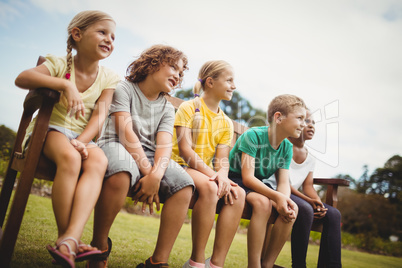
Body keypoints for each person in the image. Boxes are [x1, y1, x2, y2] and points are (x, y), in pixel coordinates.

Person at [14, 10, 120, 268]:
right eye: (102, 32)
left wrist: (83, 140)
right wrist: (65, 85)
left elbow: (100, 115)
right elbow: (22, 78)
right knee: (71, 159)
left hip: (83, 138)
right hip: (49, 130)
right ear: (77, 34)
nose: (109, 40)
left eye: (113, 37)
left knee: (99, 162)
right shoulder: (59, 64)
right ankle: (68, 239)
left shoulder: (109, 77)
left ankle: (69, 239)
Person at [89, 44, 194, 268]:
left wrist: (156, 175)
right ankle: (98, 248)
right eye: (173, 67)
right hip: (115, 143)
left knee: (184, 184)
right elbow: (124, 131)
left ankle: (157, 262)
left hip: (147, 156)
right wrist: (149, 172)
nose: (177, 74)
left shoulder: (167, 108)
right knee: (122, 172)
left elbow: (164, 146)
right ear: (152, 63)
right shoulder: (125, 88)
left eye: (181, 72)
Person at [171, 60, 246, 268]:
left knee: (238, 195)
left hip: (204, 172)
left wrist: (222, 174)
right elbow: (185, 151)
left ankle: (215, 263)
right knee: (212, 188)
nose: (234, 86)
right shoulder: (188, 108)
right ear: (211, 82)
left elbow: (222, 161)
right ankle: (196, 261)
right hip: (180, 165)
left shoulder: (226, 123)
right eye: (229, 80)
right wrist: (215, 176)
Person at [228, 94, 307, 268]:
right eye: (300, 118)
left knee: (291, 208)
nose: (304, 123)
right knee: (263, 204)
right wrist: (276, 197)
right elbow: (247, 178)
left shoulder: (287, 147)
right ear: (278, 117)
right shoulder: (254, 136)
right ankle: (254, 265)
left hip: (256, 184)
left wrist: (284, 200)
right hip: (235, 179)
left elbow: (284, 183)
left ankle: (268, 264)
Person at [265, 110, 342, 268]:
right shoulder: (284, 147)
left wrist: (318, 202)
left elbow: (308, 186)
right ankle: (299, 264)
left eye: (313, 122)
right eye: (306, 121)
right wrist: (309, 201)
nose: (311, 125)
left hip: (298, 196)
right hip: (278, 191)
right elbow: (284, 183)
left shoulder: (310, 157)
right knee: (306, 208)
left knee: (333, 214)